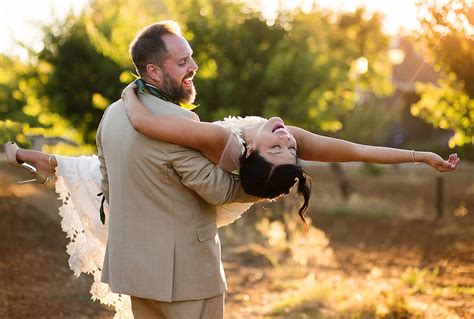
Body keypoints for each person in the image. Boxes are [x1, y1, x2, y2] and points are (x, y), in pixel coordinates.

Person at [3, 19, 461, 318]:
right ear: (153, 71)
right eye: (183, 61)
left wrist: (416, 156)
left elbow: (108, 178)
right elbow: (219, 189)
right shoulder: (198, 132)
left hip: (134, 270)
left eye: (190, 58)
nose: (194, 67)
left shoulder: (115, 117)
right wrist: (417, 156)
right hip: (186, 280)